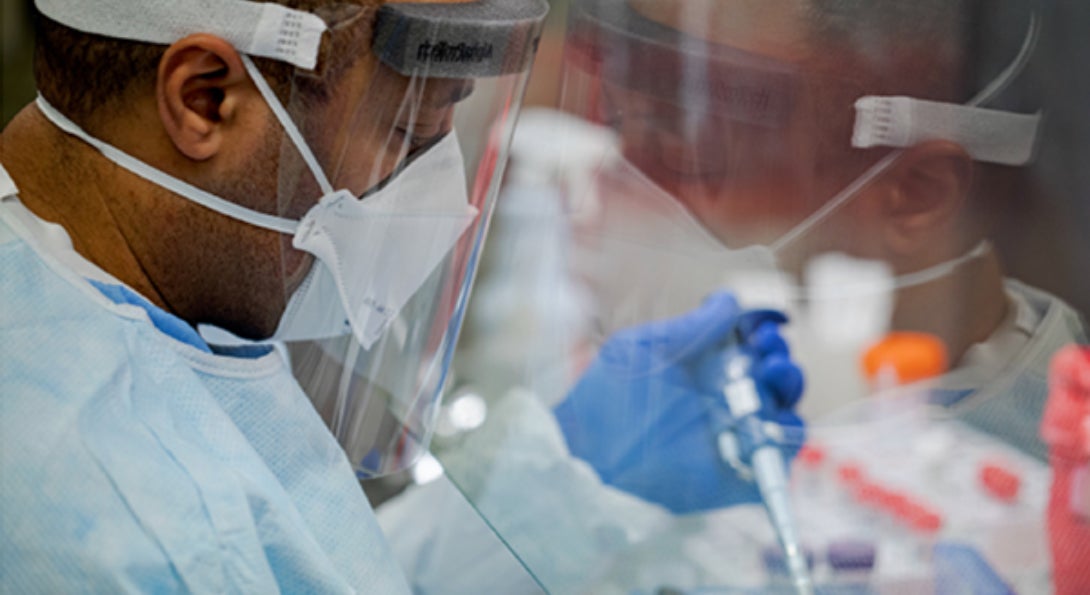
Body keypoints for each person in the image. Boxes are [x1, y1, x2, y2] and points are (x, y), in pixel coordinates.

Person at [379, 0, 1089, 593]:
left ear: (916, 193)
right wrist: (561, 476)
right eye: (621, 117)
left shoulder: (1052, 480)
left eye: (690, 139)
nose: (616, 177)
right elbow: (355, 572)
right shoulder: (670, 384)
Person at [0, 0, 549, 591]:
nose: (441, 193)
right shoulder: (143, 548)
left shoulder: (163, 281)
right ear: (205, 101)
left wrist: (559, 511)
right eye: (407, 132)